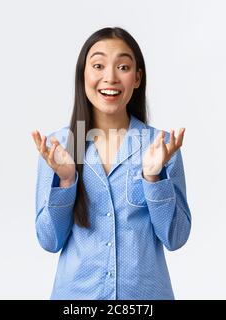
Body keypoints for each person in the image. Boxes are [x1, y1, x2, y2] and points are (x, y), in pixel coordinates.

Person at [31, 27, 191, 300]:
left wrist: (154, 179)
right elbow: (49, 240)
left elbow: (175, 237)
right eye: (98, 65)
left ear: (137, 78)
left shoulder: (161, 146)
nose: (110, 77)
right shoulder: (59, 148)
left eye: (123, 66)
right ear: (83, 75)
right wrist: (66, 182)